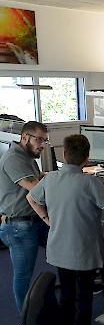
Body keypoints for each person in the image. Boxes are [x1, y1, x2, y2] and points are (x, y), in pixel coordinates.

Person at [26, 134, 104, 325]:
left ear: (64, 154)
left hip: (59, 250)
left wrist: (46, 219)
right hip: (84, 251)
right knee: (84, 296)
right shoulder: (90, 182)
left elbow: (31, 198)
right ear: (87, 158)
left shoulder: (50, 179)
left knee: (67, 294)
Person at [0, 121, 50, 311]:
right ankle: (26, 319)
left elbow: (37, 179)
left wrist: (55, 178)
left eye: (44, 140)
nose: (42, 145)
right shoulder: (14, 158)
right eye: (39, 139)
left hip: (34, 220)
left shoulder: (26, 156)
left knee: (63, 248)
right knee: (23, 275)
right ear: (24, 137)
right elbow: (36, 190)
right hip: (19, 226)